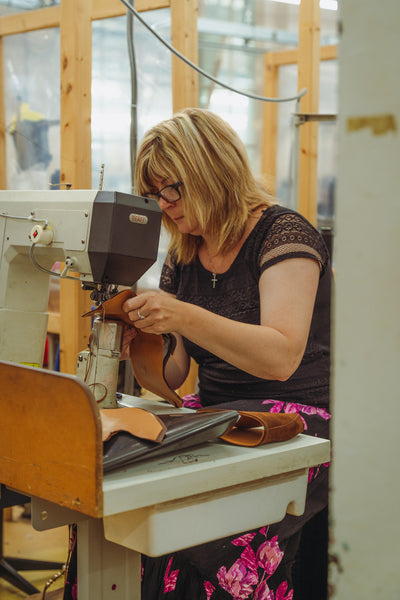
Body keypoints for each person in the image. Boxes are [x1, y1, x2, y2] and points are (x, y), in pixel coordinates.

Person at [119, 107, 332, 600]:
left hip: (298, 418)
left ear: (212, 170)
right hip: (220, 412)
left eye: (173, 188)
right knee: (135, 509)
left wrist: (182, 315)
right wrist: (142, 340)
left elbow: (280, 358)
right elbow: (174, 372)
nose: (165, 204)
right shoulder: (184, 252)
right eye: (155, 194)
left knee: (198, 532)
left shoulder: (285, 234)